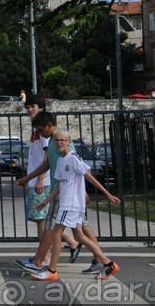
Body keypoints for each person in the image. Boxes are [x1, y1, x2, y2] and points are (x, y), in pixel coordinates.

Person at [15, 112, 100, 273]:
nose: (39, 134)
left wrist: (82, 191)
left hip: (64, 191)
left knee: (51, 226)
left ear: (48, 126)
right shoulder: (52, 141)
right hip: (65, 190)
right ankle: (100, 259)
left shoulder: (60, 141)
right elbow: (46, 165)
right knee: (80, 226)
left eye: (40, 130)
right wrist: (27, 178)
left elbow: (76, 165)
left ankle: (39, 261)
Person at [31, 129, 121, 281]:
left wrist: (108, 194)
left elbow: (89, 177)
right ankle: (108, 264)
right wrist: (46, 201)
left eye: (63, 140)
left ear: (69, 142)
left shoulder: (73, 158)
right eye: (57, 140)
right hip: (67, 204)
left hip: (71, 205)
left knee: (56, 233)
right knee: (79, 235)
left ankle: (52, 270)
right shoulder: (60, 160)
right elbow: (59, 184)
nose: (59, 143)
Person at [22, 95, 51, 247]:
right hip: (36, 181)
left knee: (41, 220)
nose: (29, 109)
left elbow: (48, 155)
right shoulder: (36, 127)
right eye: (27, 107)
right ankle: (73, 243)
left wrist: (40, 178)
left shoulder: (43, 128)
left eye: (33, 106)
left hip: (42, 182)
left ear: (41, 107)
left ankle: (43, 258)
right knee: (40, 218)